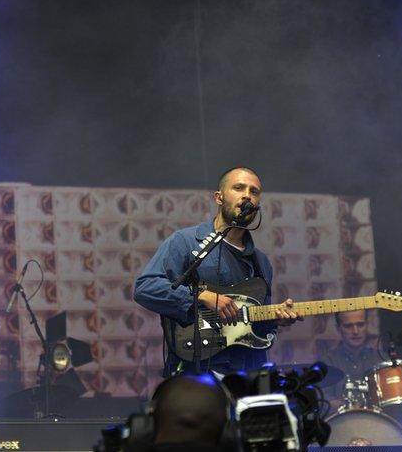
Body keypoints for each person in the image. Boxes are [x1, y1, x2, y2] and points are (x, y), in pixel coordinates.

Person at [133, 167, 298, 375]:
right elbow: (145, 288)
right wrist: (201, 296)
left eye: (254, 191)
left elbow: (252, 325)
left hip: (248, 374)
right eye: (239, 188)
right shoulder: (185, 241)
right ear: (219, 198)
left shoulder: (261, 262)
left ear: (258, 204)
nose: (247, 195)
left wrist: (275, 319)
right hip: (196, 374)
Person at [321, 310, 379, 409]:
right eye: (348, 326)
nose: (355, 331)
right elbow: (323, 399)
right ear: (338, 329)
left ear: (367, 325)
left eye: (360, 325)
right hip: (342, 422)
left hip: (378, 421)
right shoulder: (327, 362)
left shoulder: (380, 358)